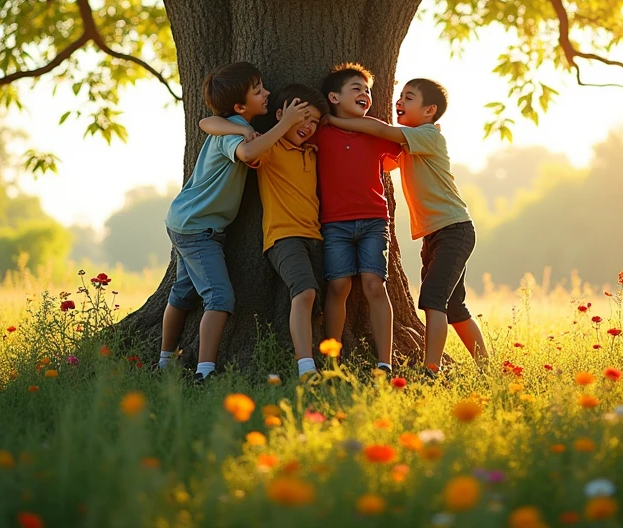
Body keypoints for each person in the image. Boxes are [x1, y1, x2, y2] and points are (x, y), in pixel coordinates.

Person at [160, 61, 309, 383]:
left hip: (190, 222)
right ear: (240, 106)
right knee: (219, 298)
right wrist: (284, 124)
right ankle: (204, 371)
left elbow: (212, 125)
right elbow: (246, 152)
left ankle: (164, 360)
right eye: (259, 91)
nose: (266, 92)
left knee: (184, 293)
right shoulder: (234, 129)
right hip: (197, 228)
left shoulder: (233, 126)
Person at [328, 76, 488, 375]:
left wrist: (337, 123)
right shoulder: (410, 143)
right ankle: (486, 367)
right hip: (436, 234)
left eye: (409, 97)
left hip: (454, 229)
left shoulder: (428, 136)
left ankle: (431, 369)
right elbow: (382, 159)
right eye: (399, 96)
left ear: (429, 110)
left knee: (433, 300)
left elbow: (380, 130)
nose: (399, 102)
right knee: (453, 307)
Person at [200, 83, 329, 381]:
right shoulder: (269, 148)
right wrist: (267, 129)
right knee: (305, 290)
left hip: (316, 236)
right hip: (283, 237)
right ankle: (306, 366)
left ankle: (328, 357)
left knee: (319, 297)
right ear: (282, 114)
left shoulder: (311, 153)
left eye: (314, 121)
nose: (308, 127)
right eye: (302, 117)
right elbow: (208, 123)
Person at [314, 63, 401, 375]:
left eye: (368, 91)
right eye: (357, 89)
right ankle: (332, 361)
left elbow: (397, 150)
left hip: (374, 220)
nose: (365, 94)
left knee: (374, 285)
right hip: (334, 223)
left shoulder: (374, 131)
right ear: (334, 97)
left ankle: (384, 362)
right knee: (337, 286)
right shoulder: (320, 134)